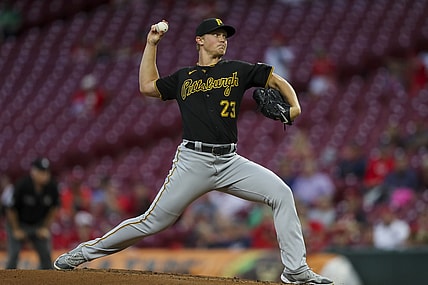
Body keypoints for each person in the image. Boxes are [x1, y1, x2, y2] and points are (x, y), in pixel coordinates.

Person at [54, 18, 333, 285]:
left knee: (281, 193)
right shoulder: (184, 77)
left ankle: (296, 270)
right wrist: (152, 44)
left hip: (229, 160)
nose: (223, 39)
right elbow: (148, 87)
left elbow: (276, 80)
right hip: (193, 161)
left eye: (225, 36)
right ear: (200, 40)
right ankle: (84, 253)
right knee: (153, 222)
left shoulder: (237, 70)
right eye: (217, 35)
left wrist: (294, 106)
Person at [4, 158, 60, 269]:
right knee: (13, 255)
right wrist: (16, 229)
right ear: (33, 172)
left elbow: (54, 209)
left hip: (37, 224)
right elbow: (11, 209)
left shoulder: (52, 186)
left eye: (46, 172)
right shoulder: (22, 184)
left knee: (46, 256)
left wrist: (45, 227)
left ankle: (46, 279)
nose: (44, 175)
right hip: (18, 223)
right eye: (41, 172)